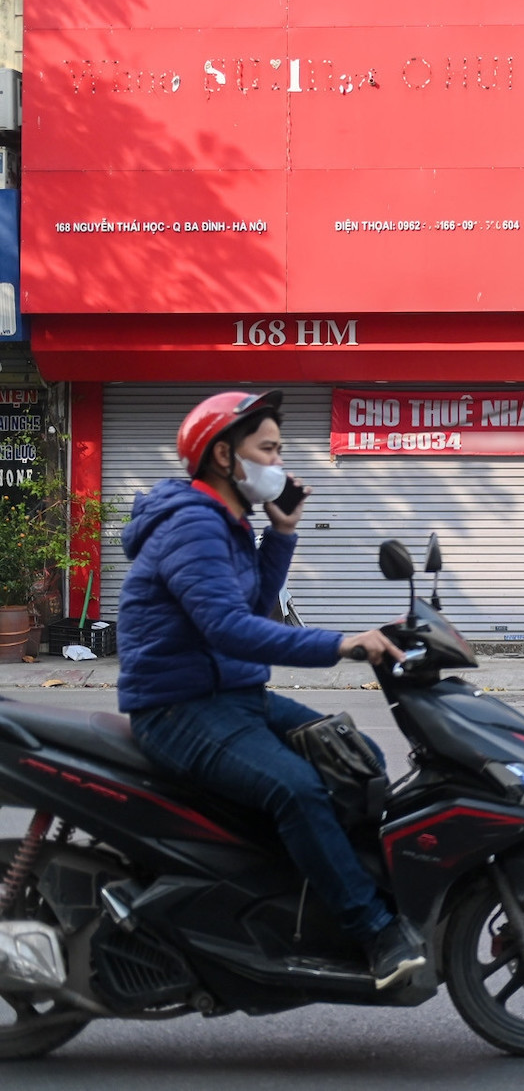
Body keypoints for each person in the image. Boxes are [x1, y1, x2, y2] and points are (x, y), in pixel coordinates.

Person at [116, 391, 424, 989]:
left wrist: (280, 534)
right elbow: (230, 630)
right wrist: (339, 643)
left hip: (229, 695)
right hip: (178, 707)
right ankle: (372, 930)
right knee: (298, 789)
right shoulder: (193, 526)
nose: (280, 464)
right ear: (225, 456)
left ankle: (308, 890)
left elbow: (255, 606)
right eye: (269, 449)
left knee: (357, 760)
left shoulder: (228, 523)